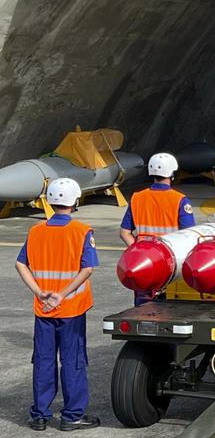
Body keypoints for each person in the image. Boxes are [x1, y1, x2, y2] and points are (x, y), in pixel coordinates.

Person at [16, 178, 101, 431]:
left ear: (50, 201)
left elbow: (21, 264)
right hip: (71, 310)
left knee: (43, 360)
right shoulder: (82, 231)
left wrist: (39, 292)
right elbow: (87, 269)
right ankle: (72, 415)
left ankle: (40, 415)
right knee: (73, 360)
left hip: (43, 310)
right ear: (75, 200)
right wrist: (62, 294)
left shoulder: (36, 231)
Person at [120, 152, 195, 305]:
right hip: (170, 265)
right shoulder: (179, 200)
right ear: (172, 173)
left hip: (144, 265)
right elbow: (189, 235)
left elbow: (124, 233)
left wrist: (138, 251)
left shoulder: (137, 198)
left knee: (143, 311)